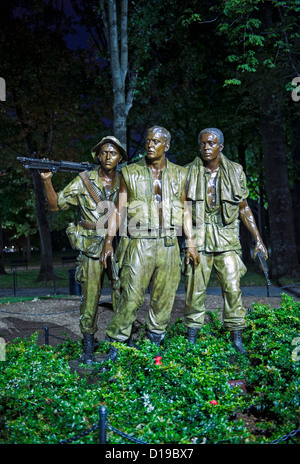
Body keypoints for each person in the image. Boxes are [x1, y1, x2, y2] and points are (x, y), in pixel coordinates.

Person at [100, 125, 199, 364]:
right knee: (130, 297)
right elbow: (118, 209)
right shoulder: (130, 172)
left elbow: (186, 210)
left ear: (167, 145)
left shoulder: (180, 173)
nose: (150, 145)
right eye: (147, 141)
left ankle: (155, 346)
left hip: (168, 243)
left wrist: (192, 242)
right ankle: (116, 345)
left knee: (163, 298)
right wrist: (108, 242)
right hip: (139, 242)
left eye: (156, 141)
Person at [40, 136, 127, 364]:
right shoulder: (83, 181)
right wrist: (47, 180)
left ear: (120, 158)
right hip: (91, 246)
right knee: (90, 298)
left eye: (114, 153)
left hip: (119, 245)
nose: (108, 157)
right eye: (104, 152)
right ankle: (88, 345)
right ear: (98, 155)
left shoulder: (126, 181)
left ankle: (118, 344)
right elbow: (55, 205)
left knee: (122, 293)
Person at [184, 127, 268, 354]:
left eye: (211, 143)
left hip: (226, 237)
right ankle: (192, 337)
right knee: (195, 289)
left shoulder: (235, 171)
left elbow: (244, 208)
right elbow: (184, 210)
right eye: (202, 144)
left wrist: (258, 239)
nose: (206, 148)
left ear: (220, 146)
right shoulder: (188, 172)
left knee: (232, 288)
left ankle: (236, 336)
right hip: (199, 237)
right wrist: (189, 242)